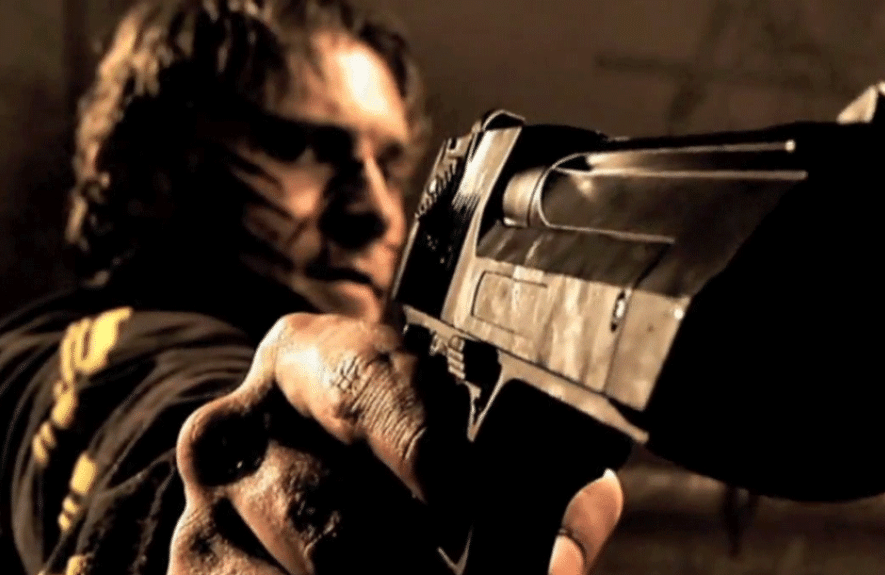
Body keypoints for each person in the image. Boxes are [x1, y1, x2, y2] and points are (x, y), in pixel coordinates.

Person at [0, 1, 624, 574]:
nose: (377, 211)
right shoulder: (79, 358)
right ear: (146, 173)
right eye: (296, 146)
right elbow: (164, 415)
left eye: (389, 168)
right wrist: (222, 495)